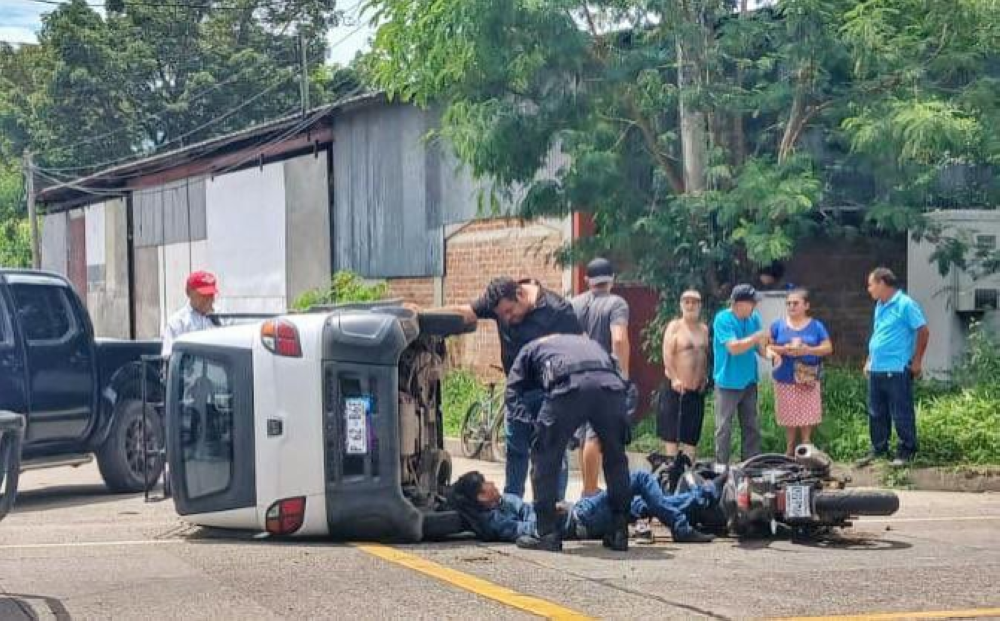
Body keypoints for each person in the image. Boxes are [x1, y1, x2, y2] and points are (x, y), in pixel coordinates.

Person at [445, 277, 582, 498]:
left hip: (549, 394)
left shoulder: (557, 310)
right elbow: (466, 312)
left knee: (551, 453)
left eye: (509, 311)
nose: (507, 319)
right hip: (517, 393)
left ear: (520, 294)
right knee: (516, 453)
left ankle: (553, 507)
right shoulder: (498, 301)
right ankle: (512, 504)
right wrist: (423, 312)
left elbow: (579, 348)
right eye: (501, 315)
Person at [504, 334, 631, 552]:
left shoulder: (529, 349)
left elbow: (512, 391)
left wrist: (533, 426)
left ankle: (547, 533)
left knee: (544, 457)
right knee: (615, 457)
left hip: (568, 387)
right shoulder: (588, 343)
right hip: (610, 387)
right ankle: (619, 531)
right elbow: (620, 374)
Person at [449, 469, 719, 545]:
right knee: (638, 478)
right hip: (581, 519)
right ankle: (681, 527)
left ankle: (706, 495)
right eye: (486, 485)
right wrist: (547, 515)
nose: (492, 484)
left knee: (643, 503)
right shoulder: (495, 522)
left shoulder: (505, 500)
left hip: (580, 511)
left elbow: (524, 509)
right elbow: (527, 528)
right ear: (481, 497)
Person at [570, 257, 631, 498]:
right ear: (612, 279)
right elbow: (619, 339)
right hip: (603, 377)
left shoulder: (574, 304)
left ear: (588, 280)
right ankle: (590, 490)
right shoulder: (616, 304)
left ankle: (587, 486)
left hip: (576, 375)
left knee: (583, 433)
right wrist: (622, 375)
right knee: (596, 435)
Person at [858, 267, 930, 467]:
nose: (869, 289)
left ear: (882, 283)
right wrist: (869, 360)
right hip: (877, 368)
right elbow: (878, 335)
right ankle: (879, 448)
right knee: (876, 411)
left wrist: (917, 361)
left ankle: (907, 450)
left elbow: (923, 331)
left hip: (897, 368)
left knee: (901, 412)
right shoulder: (880, 305)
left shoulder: (905, 304)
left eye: (871, 285)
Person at [712, 284, 780, 464]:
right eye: (752, 302)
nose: (755, 306)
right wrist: (757, 336)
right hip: (727, 382)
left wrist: (771, 355)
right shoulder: (722, 319)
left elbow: (759, 348)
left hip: (749, 380)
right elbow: (734, 348)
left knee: (752, 426)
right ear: (738, 303)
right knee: (724, 428)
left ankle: (750, 464)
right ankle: (721, 467)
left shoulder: (754, 318)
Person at [765, 289, 833, 456]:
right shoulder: (777, 325)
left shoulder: (816, 326)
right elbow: (767, 346)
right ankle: (789, 448)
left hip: (807, 376)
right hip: (784, 376)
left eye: (795, 303)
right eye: (788, 303)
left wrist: (808, 350)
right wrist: (783, 349)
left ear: (806, 305)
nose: (791, 306)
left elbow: (828, 348)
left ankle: (806, 445)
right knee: (788, 413)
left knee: (807, 412)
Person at [659, 290, 710, 461]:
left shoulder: (703, 329)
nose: (690, 305)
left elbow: (704, 355)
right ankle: (671, 473)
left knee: (691, 439)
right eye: (687, 302)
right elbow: (666, 354)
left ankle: (687, 473)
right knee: (671, 437)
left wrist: (704, 376)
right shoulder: (674, 327)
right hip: (675, 389)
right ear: (681, 305)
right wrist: (674, 378)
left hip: (696, 391)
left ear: (700, 305)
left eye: (694, 302)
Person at [161, 270, 219, 358]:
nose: (208, 299)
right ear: (188, 292)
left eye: (211, 295)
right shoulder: (178, 323)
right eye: (203, 295)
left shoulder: (225, 319)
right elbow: (168, 357)